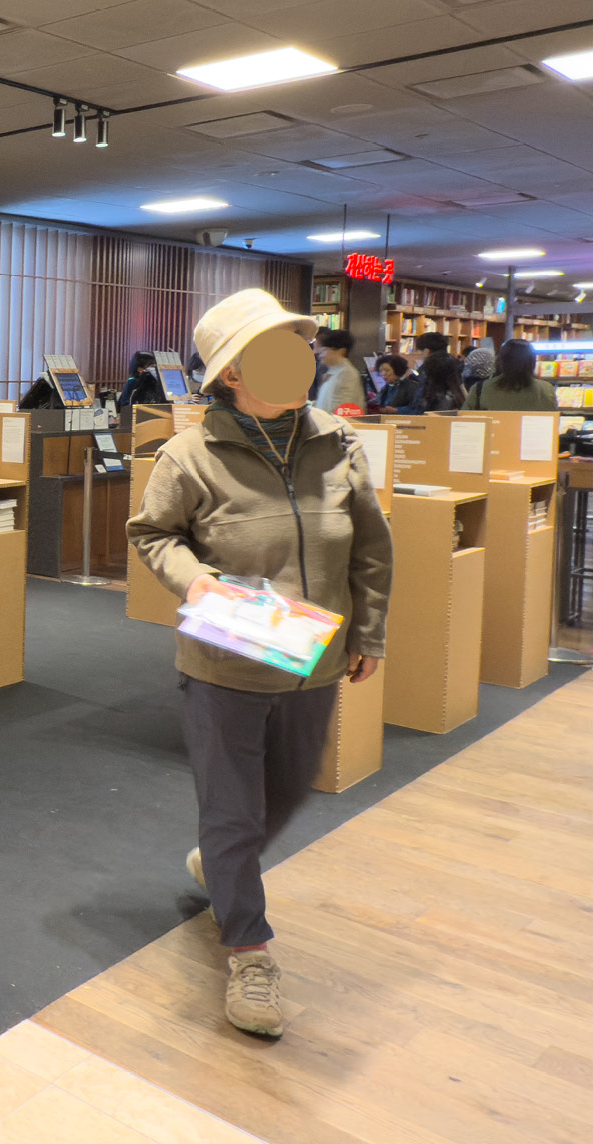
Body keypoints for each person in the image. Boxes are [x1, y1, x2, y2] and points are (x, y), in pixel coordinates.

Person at [129, 288, 391, 1041]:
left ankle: (221, 860)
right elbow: (152, 534)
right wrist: (195, 580)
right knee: (234, 810)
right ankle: (248, 951)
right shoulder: (190, 454)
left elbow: (370, 546)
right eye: (272, 350)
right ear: (232, 373)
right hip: (225, 663)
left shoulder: (337, 442)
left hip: (315, 659)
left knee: (289, 790)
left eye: (297, 346)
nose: (297, 361)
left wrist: (368, 632)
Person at [464, 338, 559, 412]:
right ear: (532, 362)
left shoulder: (481, 389)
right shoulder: (546, 389)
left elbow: (465, 418)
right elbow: (552, 419)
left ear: (501, 361)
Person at [310, 329, 363, 415]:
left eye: (324, 350)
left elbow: (342, 410)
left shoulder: (346, 375)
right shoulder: (333, 372)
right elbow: (325, 402)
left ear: (341, 351)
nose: (320, 355)